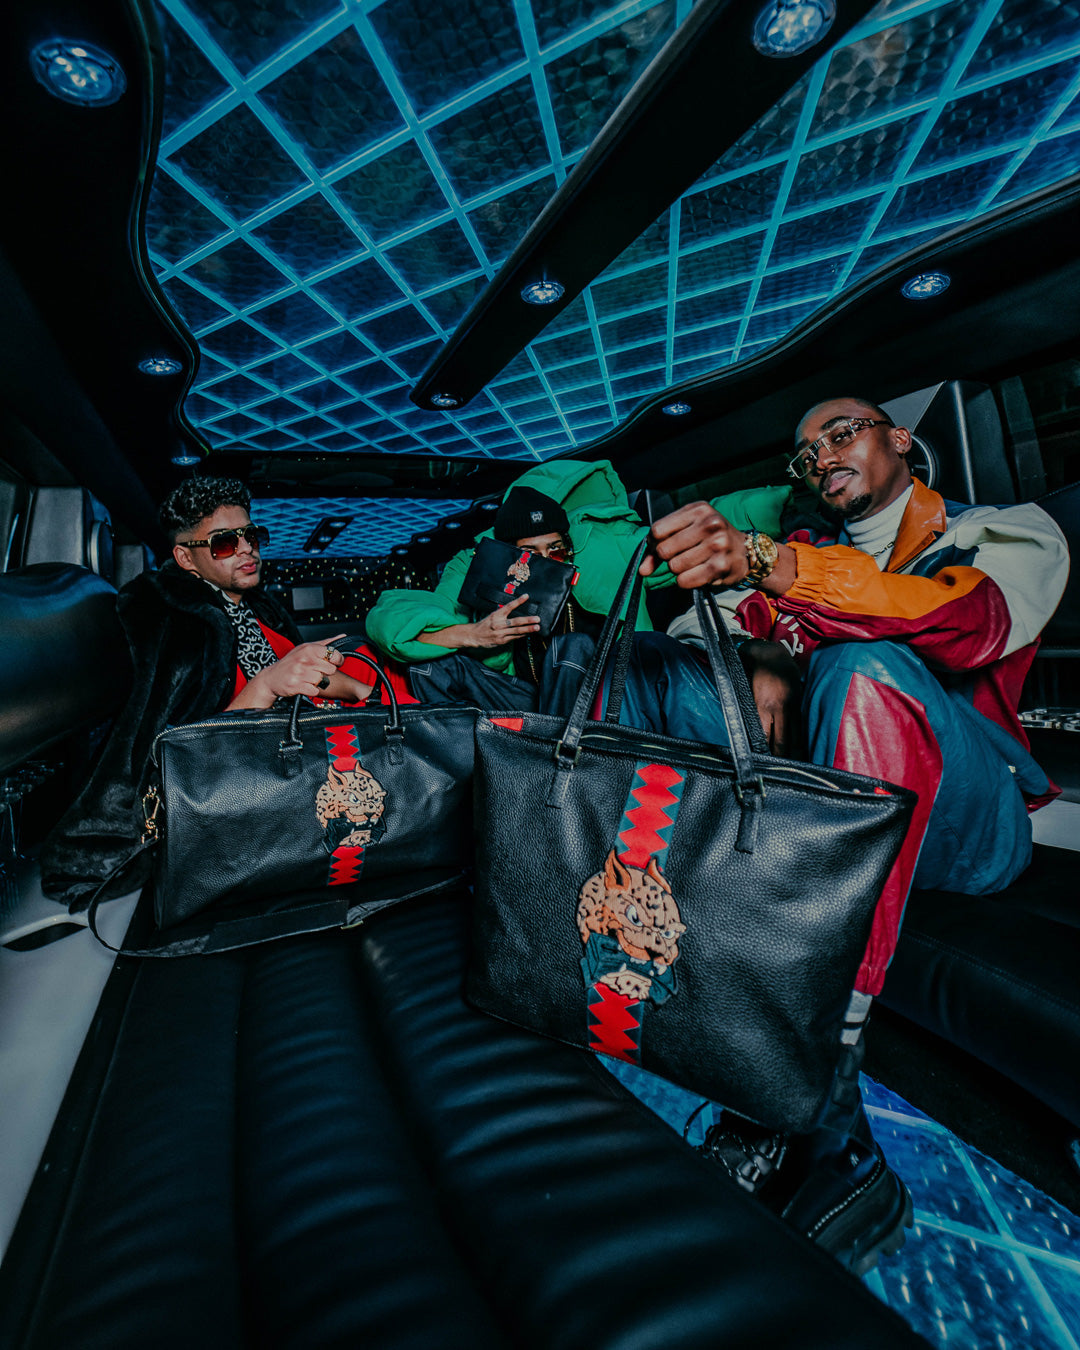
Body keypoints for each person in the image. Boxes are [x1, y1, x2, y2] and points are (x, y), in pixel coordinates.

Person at [630, 395, 1069, 1271]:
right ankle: (648, 938)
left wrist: (774, 566)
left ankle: (824, 1095)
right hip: (853, 806)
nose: (823, 456)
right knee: (654, 668)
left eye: (843, 433)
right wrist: (757, 651)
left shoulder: (1001, 531)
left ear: (899, 439)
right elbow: (695, 626)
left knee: (862, 664)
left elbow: (959, 626)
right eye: (806, 454)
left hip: (969, 828)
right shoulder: (807, 555)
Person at [41, 477, 388, 908]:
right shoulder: (173, 620)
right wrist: (265, 686)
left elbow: (302, 676)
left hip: (320, 752)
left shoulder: (262, 609)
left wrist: (361, 690)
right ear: (186, 558)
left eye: (250, 536)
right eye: (224, 543)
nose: (246, 549)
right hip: (260, 789)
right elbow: (177, 754)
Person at [366, 458, 791, 711]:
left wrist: (787, 506)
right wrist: (473, 634)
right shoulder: (478, 567)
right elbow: (391, 617)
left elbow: (701, 523)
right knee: (431, 667)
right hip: (523, 701)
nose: (548, 561)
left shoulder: (605, 548)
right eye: (531, 553)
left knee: (572, 649)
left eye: (556, 550)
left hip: (612, 699)